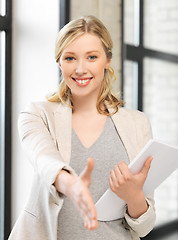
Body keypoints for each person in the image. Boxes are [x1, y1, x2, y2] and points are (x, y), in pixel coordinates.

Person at [9, 15, 156, 240]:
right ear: (59, 61)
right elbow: (44, 159)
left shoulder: (137, 124)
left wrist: (134, 196)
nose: (80, 69)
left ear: (107, 60)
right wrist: (70, 184)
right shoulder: (36, 114)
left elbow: (144, 228)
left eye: (91, 57)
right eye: (70, 58)